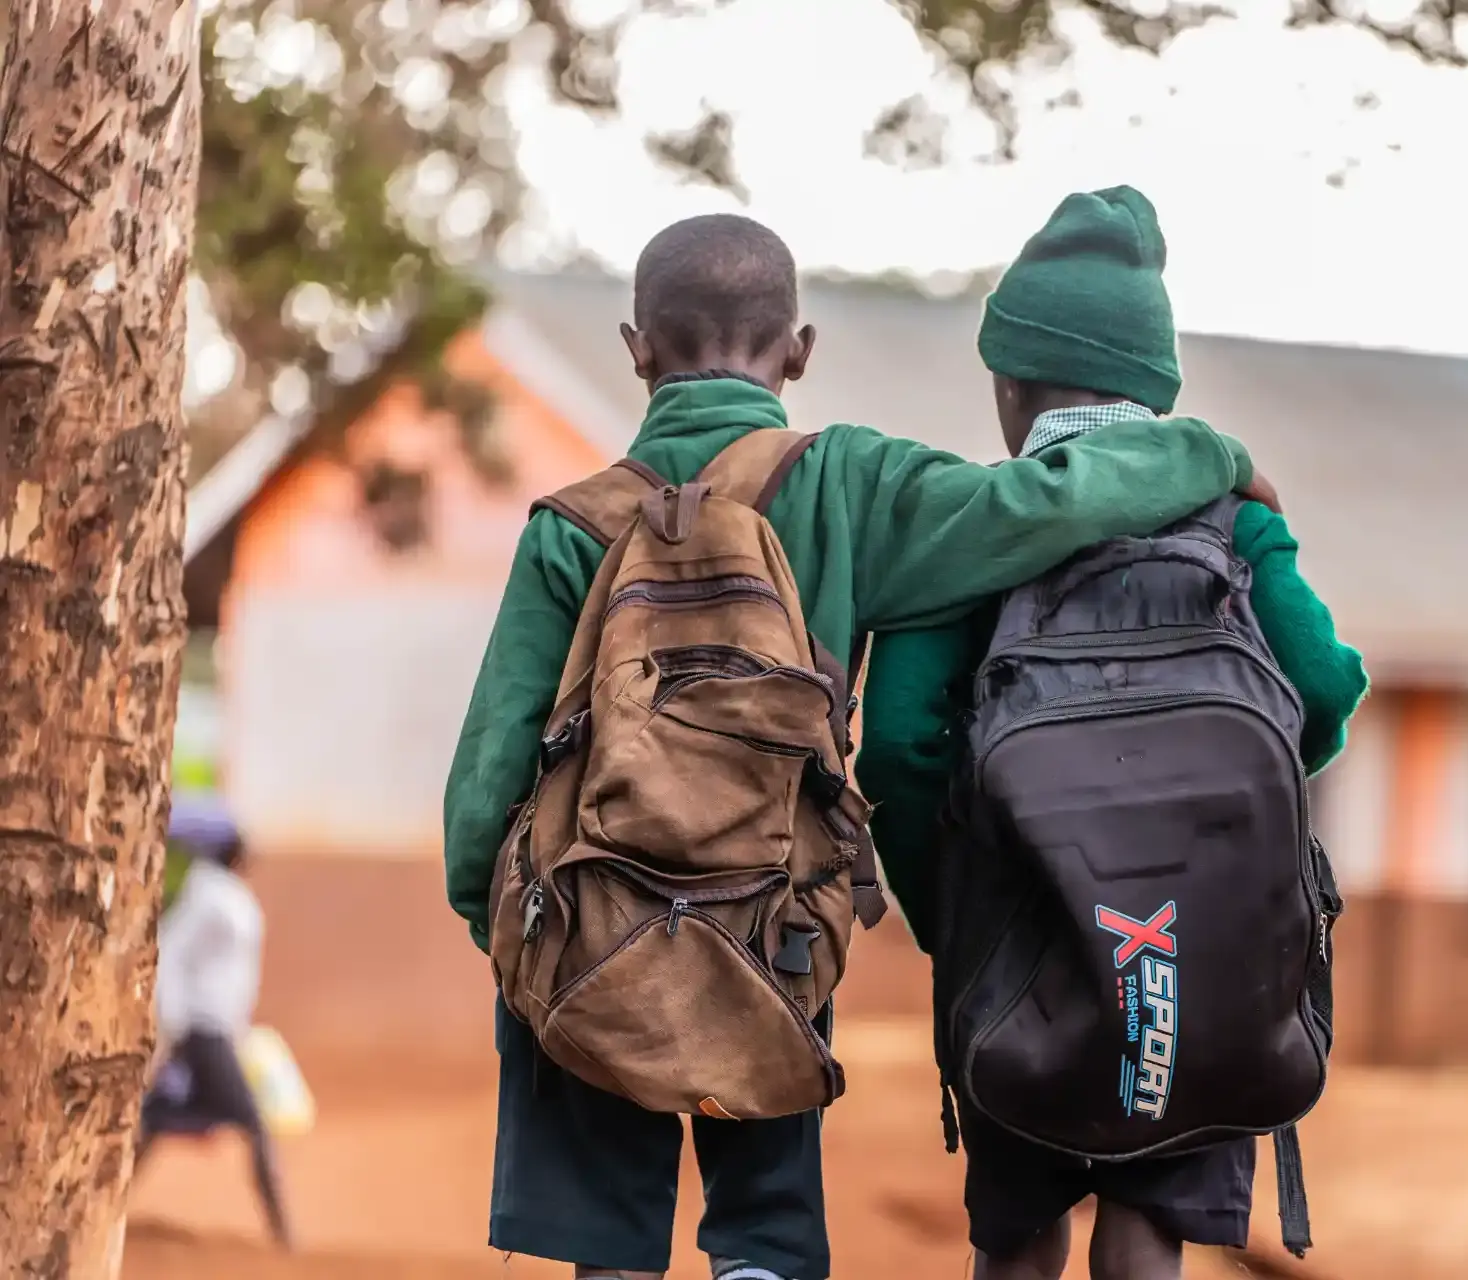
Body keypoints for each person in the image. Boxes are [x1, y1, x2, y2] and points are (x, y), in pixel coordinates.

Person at [442, 212, 1284, 1280]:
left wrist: (510, 929)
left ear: (637, 348)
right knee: (763, 1226)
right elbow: (1041, 500)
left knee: (610, 1239)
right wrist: (1208, 450)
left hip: (587, 919)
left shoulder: (569, 526)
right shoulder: (853, 485)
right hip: (774, 926)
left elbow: (486, 780)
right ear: (798, 350)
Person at [854, 186, 1370, 1280]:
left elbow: (898, 742)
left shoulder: (971, 529)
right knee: (1148, 1238)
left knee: (1019, 1243)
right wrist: (1218, 825)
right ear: (1154, 383)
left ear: (1009, 382)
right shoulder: (1238, 521)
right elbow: (1320, 689)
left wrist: (957, 914)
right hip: (1205, 951)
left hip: (1017, 936)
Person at [136, 794, 293, 1251]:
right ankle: (285, 1236)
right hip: (202, 1031)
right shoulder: (208, 895)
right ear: (229, 851)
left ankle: (102, 1201)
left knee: (156, 1122)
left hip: (217, 1029)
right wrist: (175, 1025)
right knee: (254, 1124)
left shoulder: (223, 893)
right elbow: (173, 955)